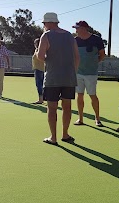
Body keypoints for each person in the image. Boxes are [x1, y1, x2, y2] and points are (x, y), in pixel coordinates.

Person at [37, 12, 80, 145]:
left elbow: (40, 56)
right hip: (69, 78)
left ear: (48, 23)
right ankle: (65, 134)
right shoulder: (69, 36)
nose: (44, 26)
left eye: (44, 23)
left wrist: (48, 59)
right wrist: (72, 71)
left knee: (52, 108)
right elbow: (77, 57)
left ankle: (53, 137)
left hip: (52, 78)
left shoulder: (46, 35)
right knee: (67, 107)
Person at [71, 21, 105, 127]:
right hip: (78, 73)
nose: (76, 30)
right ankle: (80, 119)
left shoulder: (96, 39)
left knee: (92, 95)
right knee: (79, 95)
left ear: (84, 28)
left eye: (77, 28)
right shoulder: (74, 40)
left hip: (91, 74)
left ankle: (97, 119)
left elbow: (102, 55)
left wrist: (93, 63)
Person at [32, 38, 45, 104]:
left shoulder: (39, 50)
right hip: (38, 69)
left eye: (35, 43)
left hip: (39, 69)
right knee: (41, 84)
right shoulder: (37, 50)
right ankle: (42, 98)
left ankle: (41, 99)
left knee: (39, 84)